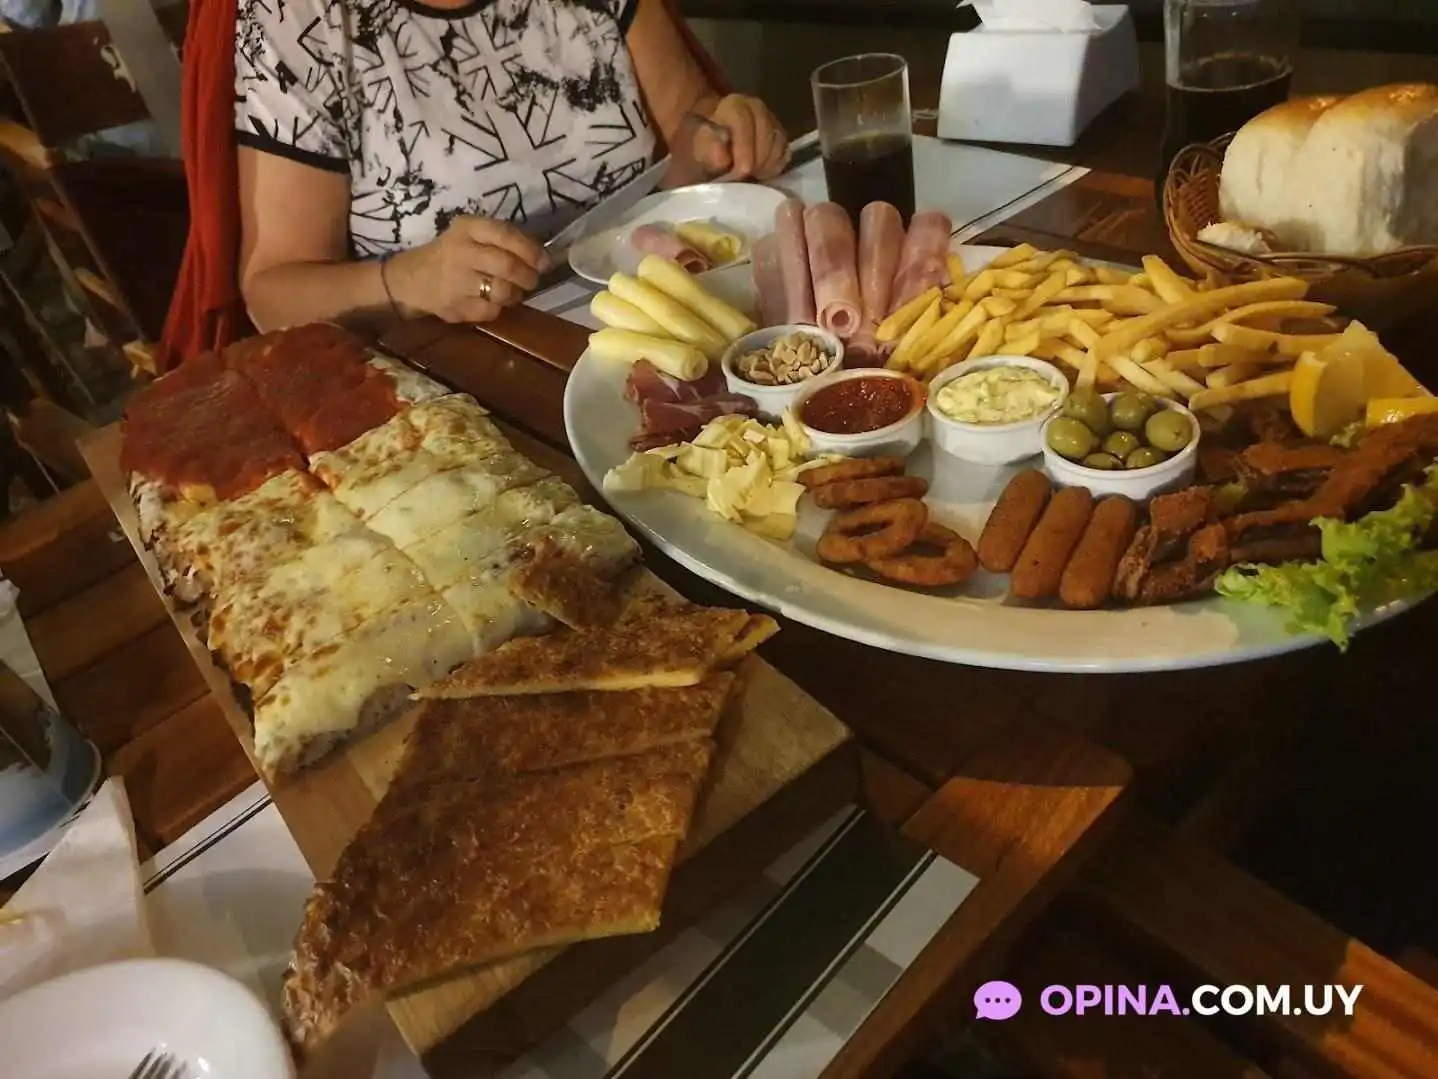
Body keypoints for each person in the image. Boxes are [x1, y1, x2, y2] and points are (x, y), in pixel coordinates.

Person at [235, 0, 788, 332]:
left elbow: (692, 131)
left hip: (667, 317)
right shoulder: (297, 19)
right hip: (458, 387)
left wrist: (727, 130)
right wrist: (409, 282)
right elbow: (271, 296)